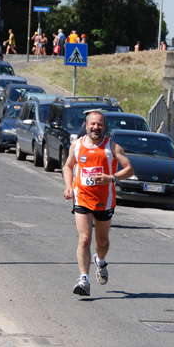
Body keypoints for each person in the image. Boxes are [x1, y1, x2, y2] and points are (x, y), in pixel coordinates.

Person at [62, 110, 134, 296]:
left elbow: (129, 169)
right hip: (82, 197)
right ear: (86, 125)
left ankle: (100, 261)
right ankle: (83, 279)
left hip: (105, 201)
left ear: (104, 126)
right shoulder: (77, 145)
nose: (96, 127)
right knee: (84, 238)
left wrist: (111, 178)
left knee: (102, 241)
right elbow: (68, 166)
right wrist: (68, 187)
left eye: (99, 124)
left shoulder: (112, 147)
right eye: (92, 124)